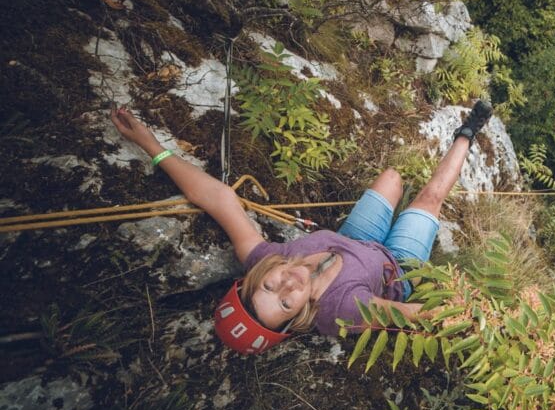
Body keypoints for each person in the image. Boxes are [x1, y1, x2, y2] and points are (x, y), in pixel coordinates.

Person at [110, 100, 494, 355]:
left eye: (269, 286)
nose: (288, 284)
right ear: (298, 317)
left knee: (392, 178)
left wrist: (152, 145)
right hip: (397, 266)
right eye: (285, 303)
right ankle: (468, 132)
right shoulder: (342, 310)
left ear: (259, 275)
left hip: (354, 240)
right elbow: (413, 315)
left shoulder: (266, 258)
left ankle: (407, 201)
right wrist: (487, 318)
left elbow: (218, 199)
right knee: (428, 199)